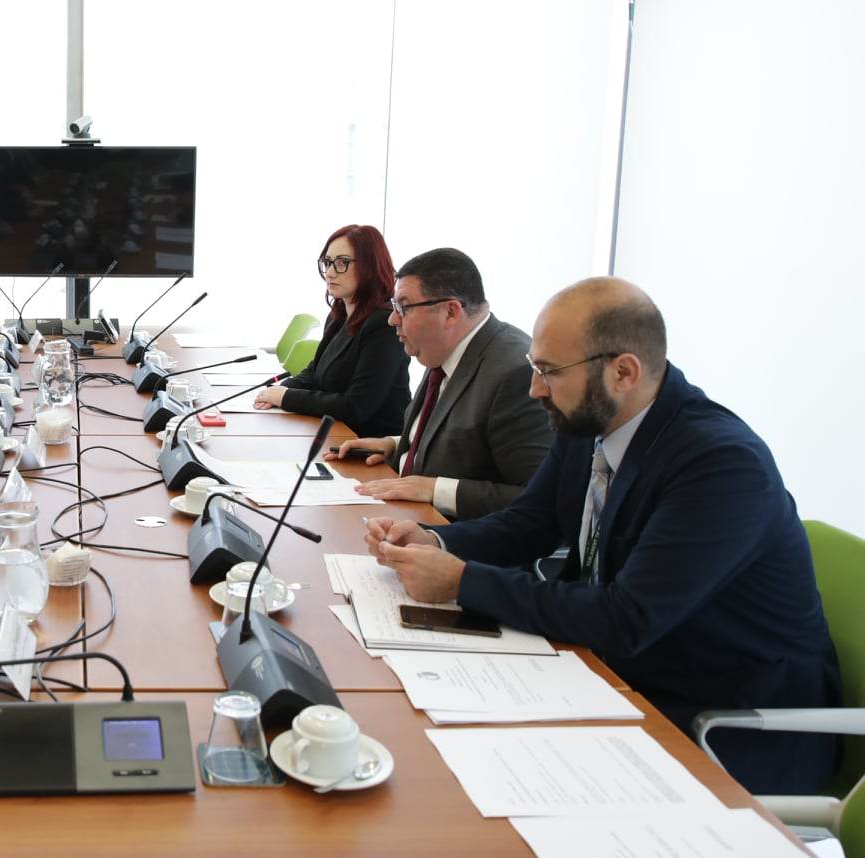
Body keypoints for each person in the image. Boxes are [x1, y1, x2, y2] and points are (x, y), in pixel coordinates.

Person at [365, 277, 840, 794]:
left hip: (719, 720)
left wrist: (462, 582)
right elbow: (529, 523)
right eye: (534, 367)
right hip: (612, 675)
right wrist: (436, 542)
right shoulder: (590, 419)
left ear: (623, 372)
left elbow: (626, 619)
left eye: (549, 372)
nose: (535, 389)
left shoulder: (721, 465)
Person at [324, 248, 551, 519]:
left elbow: (536, 500)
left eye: (403, 307)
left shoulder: (514, 373)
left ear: (450, 312)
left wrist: (434, 489)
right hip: (406, 514)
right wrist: (396, 445)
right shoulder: (443, 349)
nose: (392, 319)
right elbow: (463, 440)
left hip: (452, 534)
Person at [253, 224, 410, 436]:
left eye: (342, 263)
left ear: (370, 267)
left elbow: (355, 406)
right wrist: (277, 391)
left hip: (369, 445)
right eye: (327, 262)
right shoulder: (339, 314)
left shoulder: (385, 324)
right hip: (333, 435)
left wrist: (285, 397)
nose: (329, 272)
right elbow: (315, 372)